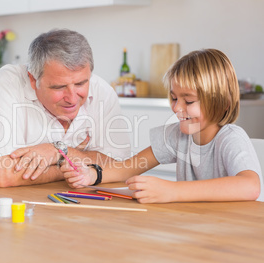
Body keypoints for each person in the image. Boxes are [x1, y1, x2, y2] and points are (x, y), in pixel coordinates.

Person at [61, 48, 263, 203]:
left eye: (189, 101)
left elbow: (250, 186)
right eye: (174, 98)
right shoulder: (178, 135)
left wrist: (173, 191)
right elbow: (128, 168)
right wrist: (92, 175)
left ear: (222, 102)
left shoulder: (231, 138)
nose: (177, 108)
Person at [0, 28, 131, 189]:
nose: (72, 97)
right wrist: (76, 167)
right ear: (33, 79)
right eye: (59, 87)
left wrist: (58, 152)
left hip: (57, 203)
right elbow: (4, 176)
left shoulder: (102, 90)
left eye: (81, 83)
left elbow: (120, 166)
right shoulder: (3, 85)